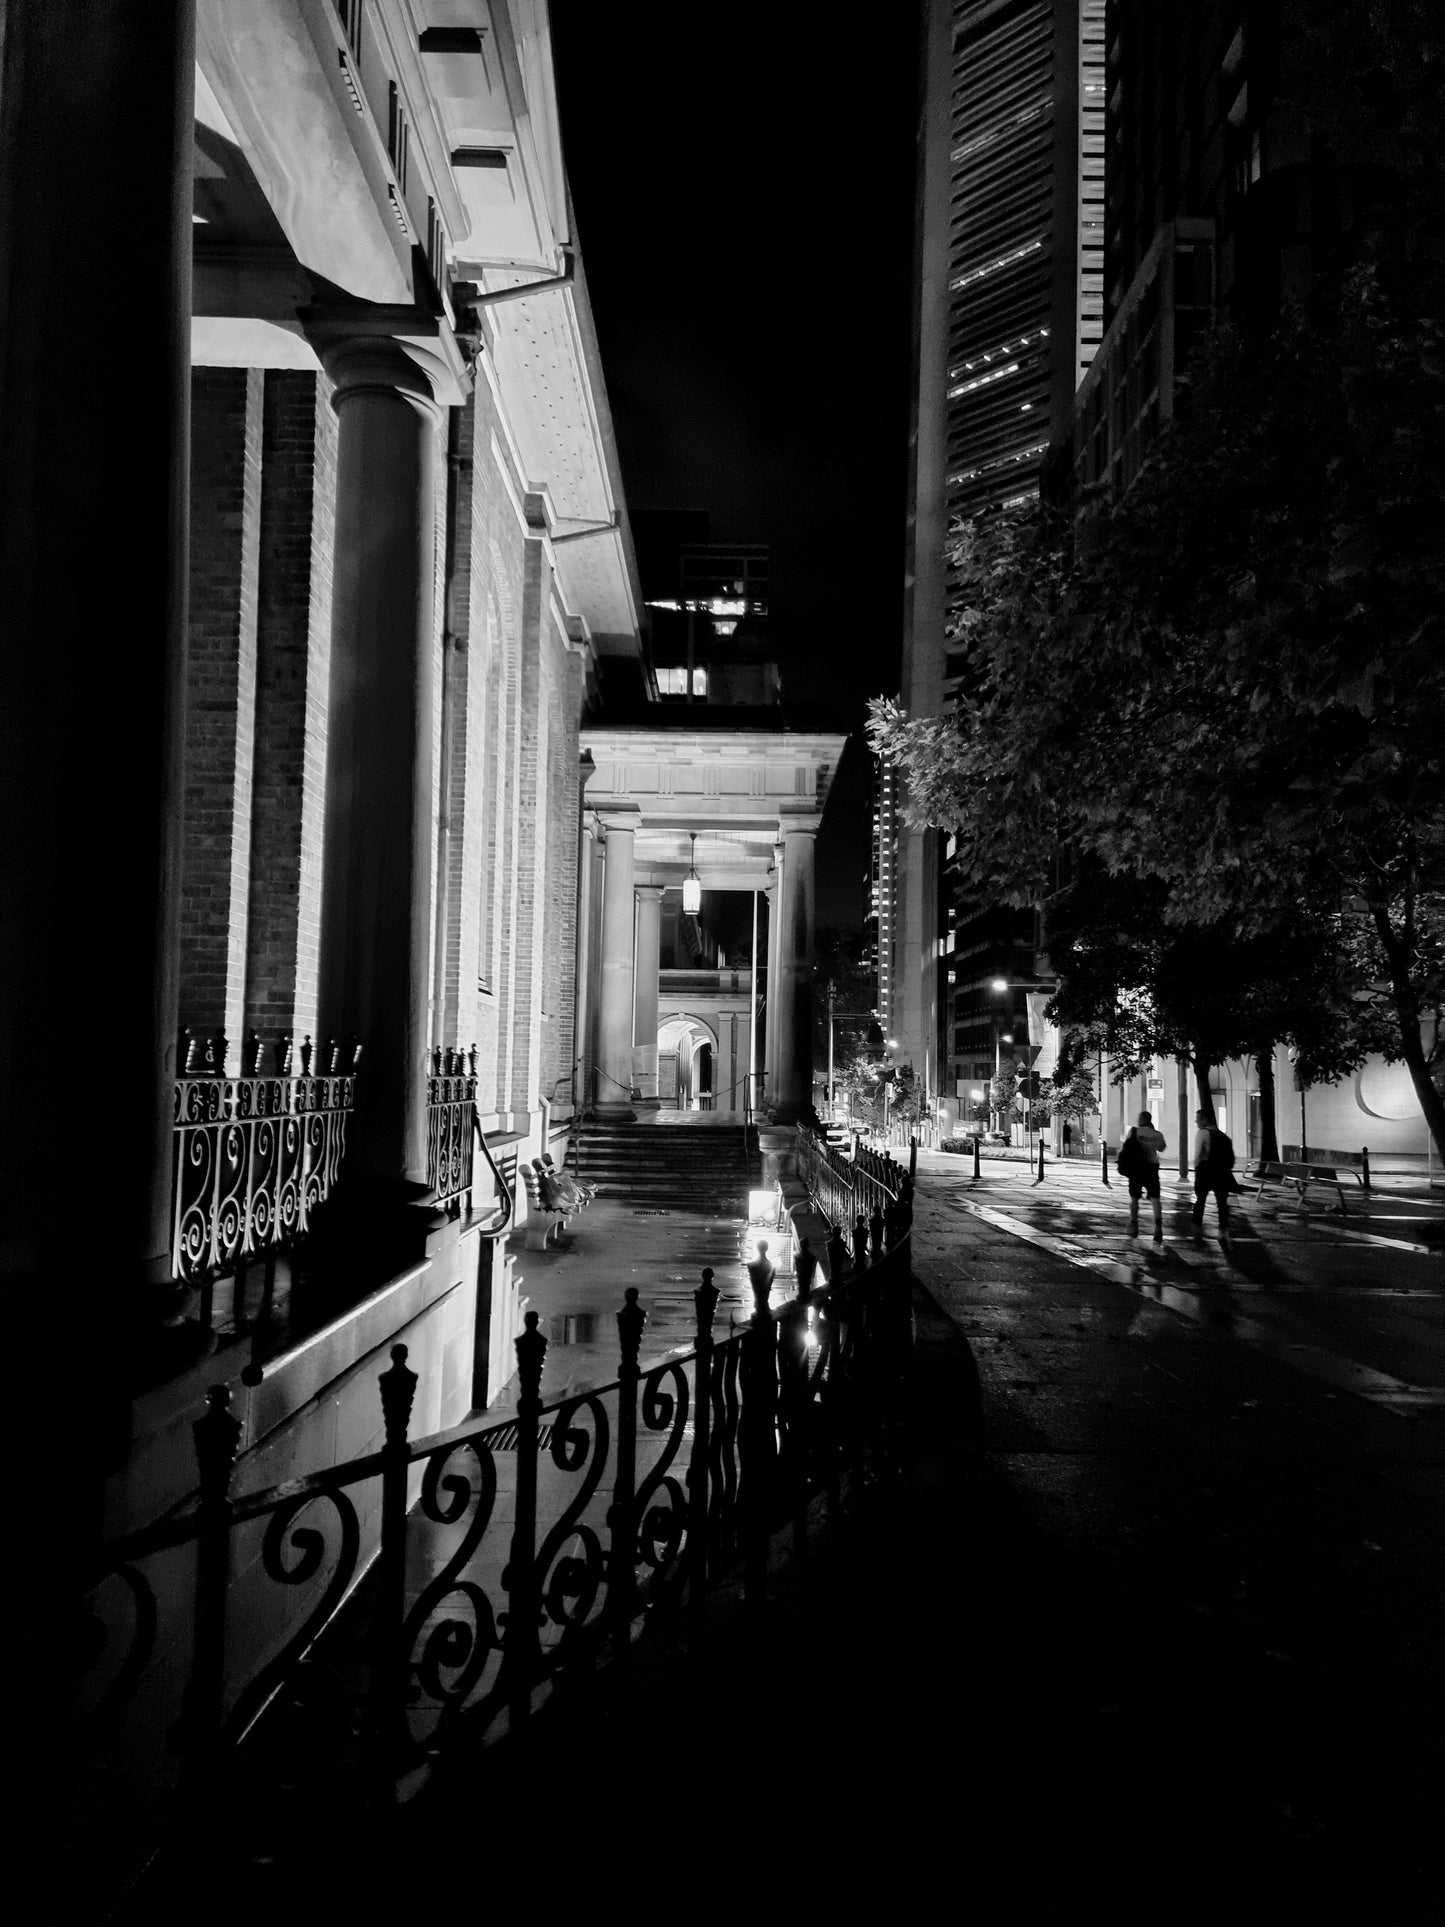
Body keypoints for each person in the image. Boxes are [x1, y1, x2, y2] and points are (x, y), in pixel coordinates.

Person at [1120, 1108, 1167, 1242]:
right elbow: (1162, 1147)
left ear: (1141, 1120)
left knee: (1135, 1197)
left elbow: (1126, 1148)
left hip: (1136, 1168)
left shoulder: (1133, 1132)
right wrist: (1150, 1141)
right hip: (1152, 1167)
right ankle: (1158, 1227)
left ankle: (1134, 1223)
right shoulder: (1157, 1134)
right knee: (1155, 1198)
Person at [1192, 1109, 1233, 1237]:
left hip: (1205, 1170)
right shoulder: (1222, 1135)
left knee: (1200, 1200)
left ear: (1205, 1119)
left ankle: (1197, 1227)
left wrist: (1196, 1168)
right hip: (1221, 1172)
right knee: (1222, 1202)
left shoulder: (1202, 1133)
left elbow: (1199, 1153)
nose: (1196, 1122)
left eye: (1198, 1119)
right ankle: (1223, 1231)